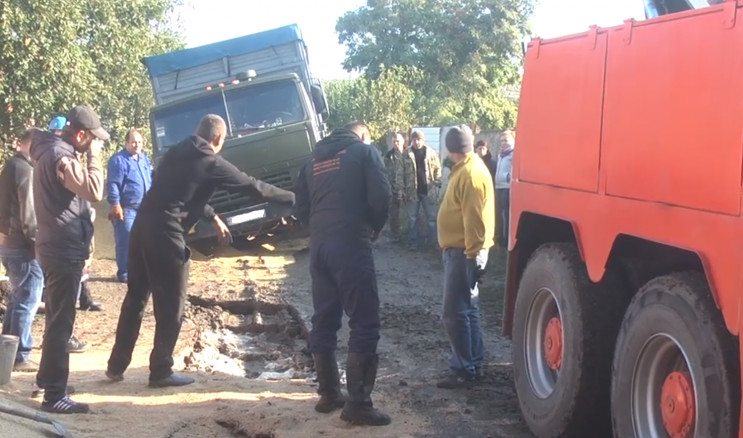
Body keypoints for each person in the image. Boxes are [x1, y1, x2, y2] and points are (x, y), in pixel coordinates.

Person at [106, 114, 295, 388]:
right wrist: (294, 199)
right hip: (166, 234)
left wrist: (211, 215)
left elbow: (178, 190)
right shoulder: (211, 162)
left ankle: (115, 366)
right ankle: (160, 370)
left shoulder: (174, 152)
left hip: (141, 228)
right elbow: (254, 187)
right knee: (171, 304)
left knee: (135, 298)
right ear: (218, 139)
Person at [294, 121, 392, 426]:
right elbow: (382, 196)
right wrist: (374, 227)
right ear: (362, 135)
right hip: (350, 243)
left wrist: (319, 230)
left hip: (319, 248)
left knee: (324, 318)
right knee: (364, 319)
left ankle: (329, 394)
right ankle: (359, 404)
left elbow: (300, 209)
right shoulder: (364, 152)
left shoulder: (311, 161)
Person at [31, 104, 108, 414]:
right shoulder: (62, 156)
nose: (95, 142)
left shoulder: (52, 152)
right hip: (62, 249)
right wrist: (94, 155)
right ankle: (54, 394)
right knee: (62, 323)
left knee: (55, 320)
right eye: (92, 138)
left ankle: (46, 380)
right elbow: (94, 190)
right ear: (80, 134)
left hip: (56, 246)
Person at [435, 125, 495, 389]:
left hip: (463, 252)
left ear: (450, 149)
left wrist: (472, 256)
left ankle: (463, 368)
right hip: (462, 250)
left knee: (454, 313)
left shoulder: (469, 174)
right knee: (467, 310)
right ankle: (473, 363)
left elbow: (475, 220)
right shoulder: (467, 168)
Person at [0, 128, 44, 372]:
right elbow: (29, 214)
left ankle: (7, 349)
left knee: (18, 298)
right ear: (33, 145)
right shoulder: (25, 170)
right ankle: (20, 354)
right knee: (28, 298)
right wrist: (38, 244)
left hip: (8, 243)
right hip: (22, 246)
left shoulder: (11, 166)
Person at [106, 128, 152, 283]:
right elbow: (113, 184)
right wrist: (116, 204)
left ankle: (142, 270)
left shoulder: (144, 158)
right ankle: (124, 272)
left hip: (145, 208)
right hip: (127, 208)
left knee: (145, 240)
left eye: (139, 142)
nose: (136, 145)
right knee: (125, 240)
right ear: (126, 143)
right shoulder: (118, 160)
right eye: (133, 142)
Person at [403, 130, 441, 250]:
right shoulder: (406, 154)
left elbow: (437, 168)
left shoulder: (430, 153)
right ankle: (413, 242)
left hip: (428, 190)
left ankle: (433, 243)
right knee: (412, 218)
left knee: (432, 218)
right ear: (411, 140)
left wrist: (437, 182)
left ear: (423, 140)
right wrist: (401, 189)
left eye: (419, 139)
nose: (416, 142)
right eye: (414, 139)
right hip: (412, 191)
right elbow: (400, 172)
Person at [382, 132, 406, 242]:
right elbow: (384, 172)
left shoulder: (408, 153)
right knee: (393, 214)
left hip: (408, 188)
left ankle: (409, 235)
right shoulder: (388, 156)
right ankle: (396, 236)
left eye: (398, 141)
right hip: (393, 189)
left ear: (403, 141)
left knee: (410, 214)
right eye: (394, 142)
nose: (396, 144)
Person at [494, 130, 514, 248]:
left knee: (506, 216)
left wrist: (506, 177)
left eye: (506, 140)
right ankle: (499, 239)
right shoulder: (501, 154)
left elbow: (514, 170)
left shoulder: (513, 154)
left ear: (512, 140)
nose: (503, 143)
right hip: (499, 187)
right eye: (501, 140)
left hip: (507, 188)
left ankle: (506, 242)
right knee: (498, 214)